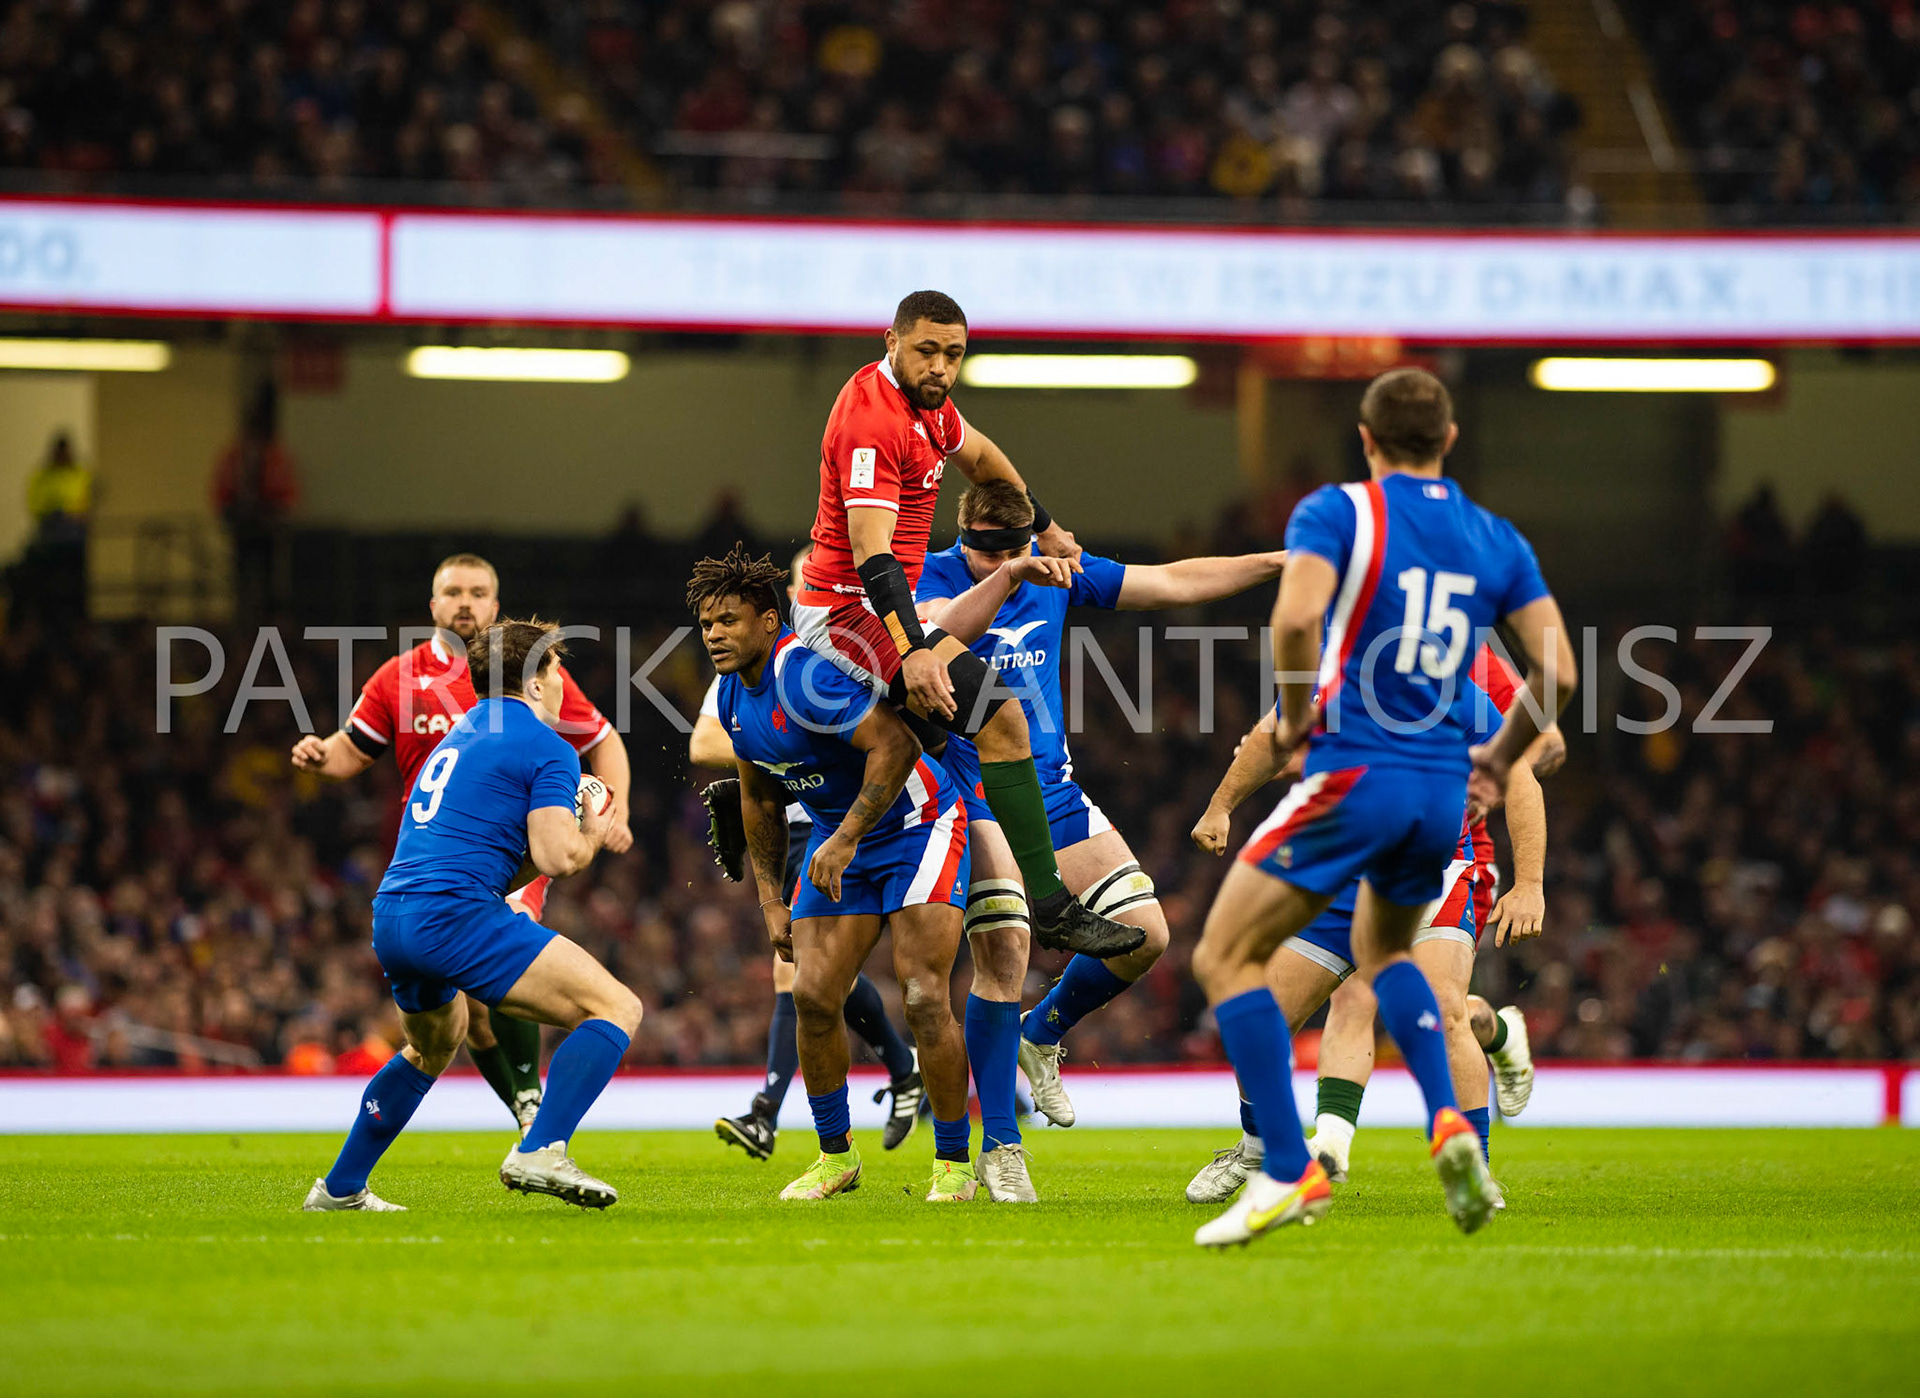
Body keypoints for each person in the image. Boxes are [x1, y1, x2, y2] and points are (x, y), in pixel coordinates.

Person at [1188, 367, 1575, 1248]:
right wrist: (1504, 756)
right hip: (1439, 803)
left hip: (1355, 780)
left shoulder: (1337, 513)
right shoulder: (1493, 538)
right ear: (1450, 440)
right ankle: (1447, 1126)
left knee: (1220, 958)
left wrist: (1294, 713)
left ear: (1364, 439)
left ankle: (1287, 1173)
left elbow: (1293, 625)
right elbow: (1559, 677)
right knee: (1381, 956)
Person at [914, 480, 1287, 1199]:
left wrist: (1273, 563)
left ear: (1030, 536)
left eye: (1009, 547)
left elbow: (1175, 582)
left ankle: (1041, 1033)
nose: (993, 558)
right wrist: (1011, 571)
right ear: (961, 530)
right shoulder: (929, 574)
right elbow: (938, 632)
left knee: (1147, 933)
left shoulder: (1056, 574)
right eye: (981, 547)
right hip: (969, 794)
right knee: (1004, 954)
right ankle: (1001, 1146)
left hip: (1051, 791)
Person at [792, 288, 1143, 962]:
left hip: (880, 605)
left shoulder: (928, 407)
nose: (941, 366)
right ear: (890, 342)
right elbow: (873, 553)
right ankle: (1050, 904)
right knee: (997, 719)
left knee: (931, 729)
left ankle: (769, 787)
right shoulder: (872, 422)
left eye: (953, 354)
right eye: (927, 350)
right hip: (845, 610)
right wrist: (912, 653)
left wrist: (1048, 527)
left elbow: (983, 460)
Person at [1184, 645, 1561, 1207]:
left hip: (1437, 863)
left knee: (1443, 1009)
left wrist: (1529, 883)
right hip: (1345, 867)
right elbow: (1275, 733)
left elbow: (1527, 768)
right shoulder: (1335, 661)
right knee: (1263, 1010)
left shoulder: (1454, 678)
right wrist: (1221, 804)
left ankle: (1473, 1169)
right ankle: (1260, 1146)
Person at [291, 553, 634, 1134]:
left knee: (493, 971)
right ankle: (529, 1114)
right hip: (430, 851)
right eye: (454, 592)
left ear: (496, 607)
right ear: (433, 606)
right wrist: (320, 756)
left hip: (505, 848)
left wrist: (614, 811)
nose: (466, 603)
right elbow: (352, 750)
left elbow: (604, 739)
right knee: (470, 1021)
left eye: (479, 593)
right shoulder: (396, 678)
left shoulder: (526, 672)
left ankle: (530, 1105)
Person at [692, 546, 977, 1203]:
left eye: (728, 621)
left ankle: (955, 1165)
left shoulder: (806, 675)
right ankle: (835, 1158)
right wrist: (768, 901)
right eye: (707, 624)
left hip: (917, 824)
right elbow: (758, 796)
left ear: (770, 620)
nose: (713, 635)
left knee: (924, 997)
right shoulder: (735, 694)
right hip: (835, 839)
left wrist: (846, 838)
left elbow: (897, 744)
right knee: (814, 995)